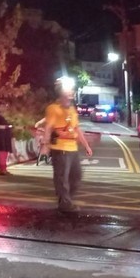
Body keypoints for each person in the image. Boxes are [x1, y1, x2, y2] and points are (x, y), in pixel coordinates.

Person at [43, 77, 93, 213]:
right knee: (62, 178)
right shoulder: (53, 109)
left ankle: (65, 199)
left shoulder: (72, 109)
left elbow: (77, 129)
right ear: (61, 91)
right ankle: (64, 203)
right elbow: (48, 127)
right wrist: (45, 146)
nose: (71, 92)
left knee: (76, 176)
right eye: (68, 89)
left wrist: (86, 146)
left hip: (73, 149)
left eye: (72, 89)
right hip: (60, 149)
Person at [0, 100, 14, 176]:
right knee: (2, 151)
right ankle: (2, 169)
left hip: (4, 136)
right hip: (0, 136)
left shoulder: (1, 115)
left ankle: (4, 168)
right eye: (2, 106)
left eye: (5, 106)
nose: (4, 108)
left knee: (5, 152)